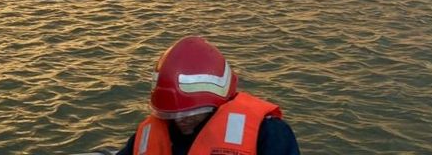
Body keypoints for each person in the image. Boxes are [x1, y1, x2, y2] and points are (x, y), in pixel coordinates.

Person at [115, 36, 300, 155]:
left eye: (190, 114)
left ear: (216, 103)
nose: (181, 121)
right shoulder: (148, 135)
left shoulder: (269, 134)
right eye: (171, 115)